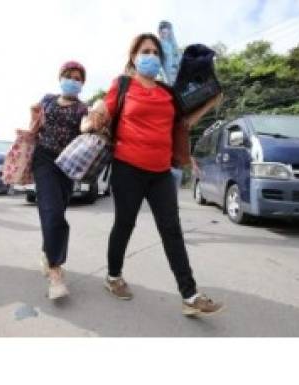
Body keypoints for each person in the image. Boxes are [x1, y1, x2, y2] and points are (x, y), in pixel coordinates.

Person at [83, 33, 222, 316]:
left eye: (156, 52)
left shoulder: (167, 92)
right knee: (125, 224)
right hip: (127, 168)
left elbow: (183, 123)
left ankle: (190, 295)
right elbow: (102, 113)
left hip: (160, 172)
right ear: (134, 56)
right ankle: (113, 276)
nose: (151, 56)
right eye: (145, 51)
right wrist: (90, 118)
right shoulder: (122, 85)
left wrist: (210, 103)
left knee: (172, 230)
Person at [29, 61, 89, 300]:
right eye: (69, 76)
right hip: (44, 158)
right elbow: (35, 127)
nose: (73, 80)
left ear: (82, 83)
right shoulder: (47, 100)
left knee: (56, 212)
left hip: (68, 164)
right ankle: (55, 271)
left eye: (78, 78)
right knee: (52, 212)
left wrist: (94, 123)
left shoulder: (85, 109)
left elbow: (87, 130)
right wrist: (32, 116)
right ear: (60, 77)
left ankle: (47, 252)